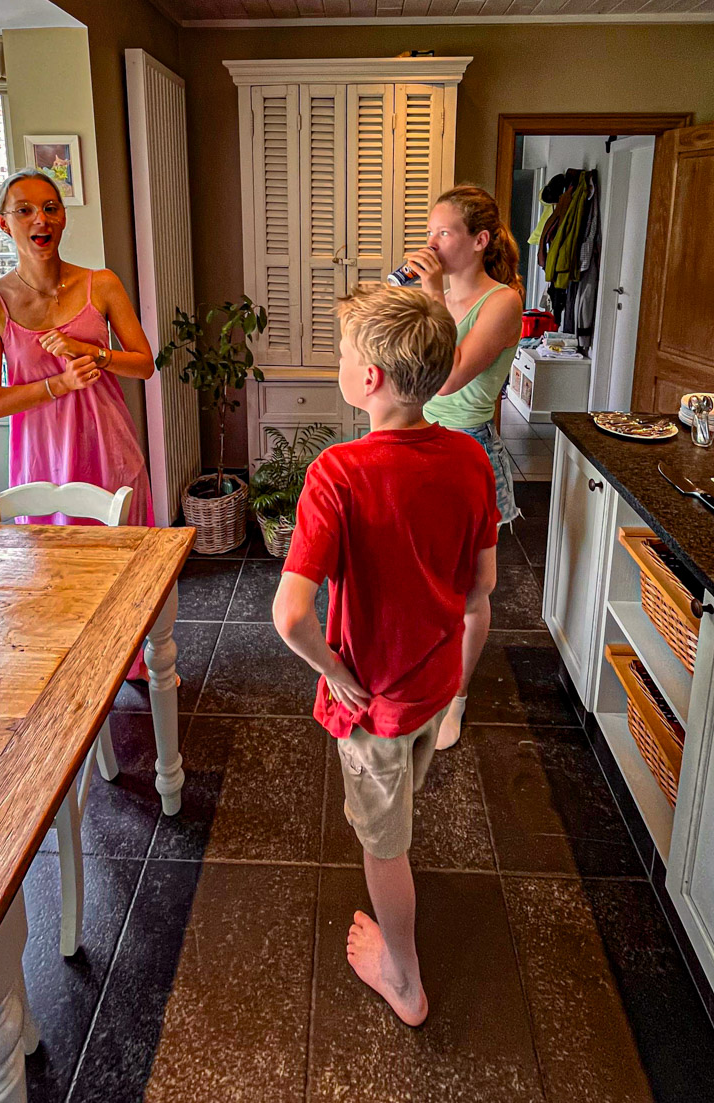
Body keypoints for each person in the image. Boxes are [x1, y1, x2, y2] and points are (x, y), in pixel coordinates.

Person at [272, 285, 498, 1027]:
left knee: (384, 846)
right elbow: (481, 589)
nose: (339, 363)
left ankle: (404, 979)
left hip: (375, 704)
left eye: (342, 354)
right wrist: (446, 653)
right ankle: (401, 948)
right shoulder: (470, 457)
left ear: (368, 377)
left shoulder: (338, 473)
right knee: (403, 794)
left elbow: (290, 615)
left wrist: (336, 672)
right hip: (436, 683)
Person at [405, 184, 525, 750]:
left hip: (468, 452)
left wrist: (430, 295)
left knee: (473, 589)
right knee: (420, 576)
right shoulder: (431, 294)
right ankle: (424, 675)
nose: (431, 243)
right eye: (430, 231)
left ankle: (456, 695)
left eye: (444, 233)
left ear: (479, 241)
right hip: (417, 444)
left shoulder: (502, 303)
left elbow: (448, 377)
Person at [0, 168, 155, 529]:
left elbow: (144, 365)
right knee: (52, 558)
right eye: (24, 210)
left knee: (124, 555)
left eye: (50, 208)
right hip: (43, 458)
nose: (41, 219)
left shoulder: (102, 284)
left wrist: (90, 352)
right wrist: (61, 384)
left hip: (109, 448)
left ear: (63, 218)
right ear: (4, 223)